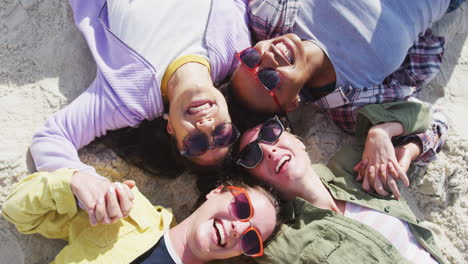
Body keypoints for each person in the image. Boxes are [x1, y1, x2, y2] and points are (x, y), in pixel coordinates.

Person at [30, 0, 252, 225]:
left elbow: (52, 137)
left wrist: (79, 177)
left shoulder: (128, 97)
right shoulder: (236, 51)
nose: (206, 126)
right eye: (222, 134)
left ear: (170, 128)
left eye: (196, 143)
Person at [230, 0, 455, 198]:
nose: (267, 57)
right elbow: (436, 123)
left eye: (252, 58)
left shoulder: (268, 14)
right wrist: (385, 132)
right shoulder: (352, 104)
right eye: (268, 79)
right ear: (292, 103)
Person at [232, 101, 447, 263]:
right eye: (252, 155)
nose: (269, 150)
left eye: (271, 133)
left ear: (297, 140)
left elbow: (437, 121)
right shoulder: (282, 240)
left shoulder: (353, 167)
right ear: (257, 183)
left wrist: (388, 138)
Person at [2, 169, 280, 264]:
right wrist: (72, 182)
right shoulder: (127, 208)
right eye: (243, 208)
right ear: (217, 191)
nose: (238, 228)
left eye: (251, 239)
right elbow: (18, 213)